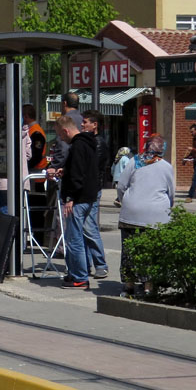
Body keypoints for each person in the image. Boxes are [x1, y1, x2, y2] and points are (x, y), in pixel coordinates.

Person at [116, 133, 175, 297]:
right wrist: (168, 206)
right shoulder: (166, 167)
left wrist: (126, 200)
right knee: (151, 252)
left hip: (131, 213)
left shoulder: (134, 161)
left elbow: (121, 186)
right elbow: (171, 192)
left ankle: (128, 286)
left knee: (129, 250)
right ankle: (148, 287)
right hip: (156, 216)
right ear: (162, 149)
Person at [53, 115, 106, 289]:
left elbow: (77, 174)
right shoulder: (89, 143)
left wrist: (70, 198)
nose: (61, 138)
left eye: (60, 135)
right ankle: (76, 273)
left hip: (78, 198)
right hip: (88, 196)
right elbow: (83, 169)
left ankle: (79, 277)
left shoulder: (77, 146)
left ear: (66, 130)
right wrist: (65, 171)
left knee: (74, 239)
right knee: (78, 237)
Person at [80, 111, 111, 278]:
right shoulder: (87, 141)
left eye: (85, 122)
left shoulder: (98, 143)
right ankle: (85, 265)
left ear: (95, 125)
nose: (82, 124)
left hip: (92, 189)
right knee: (83, 227)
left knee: (89, 226)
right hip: (86, 189)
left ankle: (100, 264)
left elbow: (93, 168)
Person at [22, 104, 47, 184]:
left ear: (26, 116)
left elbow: (36, 155)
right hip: (33, 172)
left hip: (36, 174)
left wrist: (25, 166)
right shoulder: (30, 130)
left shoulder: (36, 132)